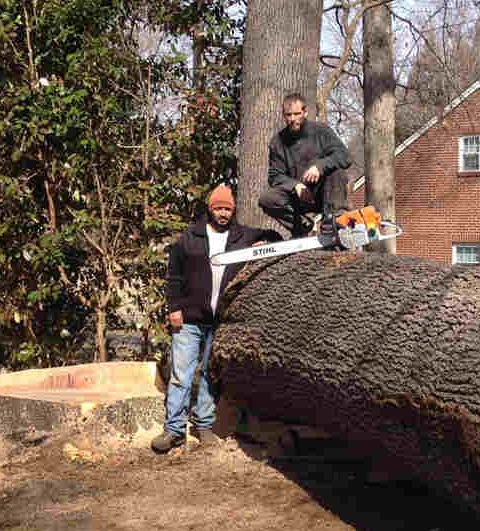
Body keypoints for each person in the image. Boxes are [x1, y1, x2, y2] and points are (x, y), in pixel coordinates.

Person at [151, 185, 281, 453]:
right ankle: (174, 430)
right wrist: (174, 308)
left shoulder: (242, 236)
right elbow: (173, 277)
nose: (223, 213)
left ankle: (204, 425)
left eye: (227, 209)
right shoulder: (190, 238)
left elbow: (275, 236)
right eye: (219, 208)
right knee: (181, 374)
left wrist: (266, 243)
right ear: (210, 209)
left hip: (222, 319)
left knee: (212, 375)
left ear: (233, 211)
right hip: (189, 318)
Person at [258, 93, 352, 237]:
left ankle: (336, 223)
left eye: (297, 114)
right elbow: (274, 175)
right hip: (299, 198)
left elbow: (344, 157)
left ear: (305, 112)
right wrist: (295, 185)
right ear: (284, 115)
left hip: (325, 194)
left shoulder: (321, 131)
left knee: (337, 172)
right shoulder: (277, 142)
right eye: (288, 115)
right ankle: (303, 227)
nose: (293, 119)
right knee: (267, 198)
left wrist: (320, 166)